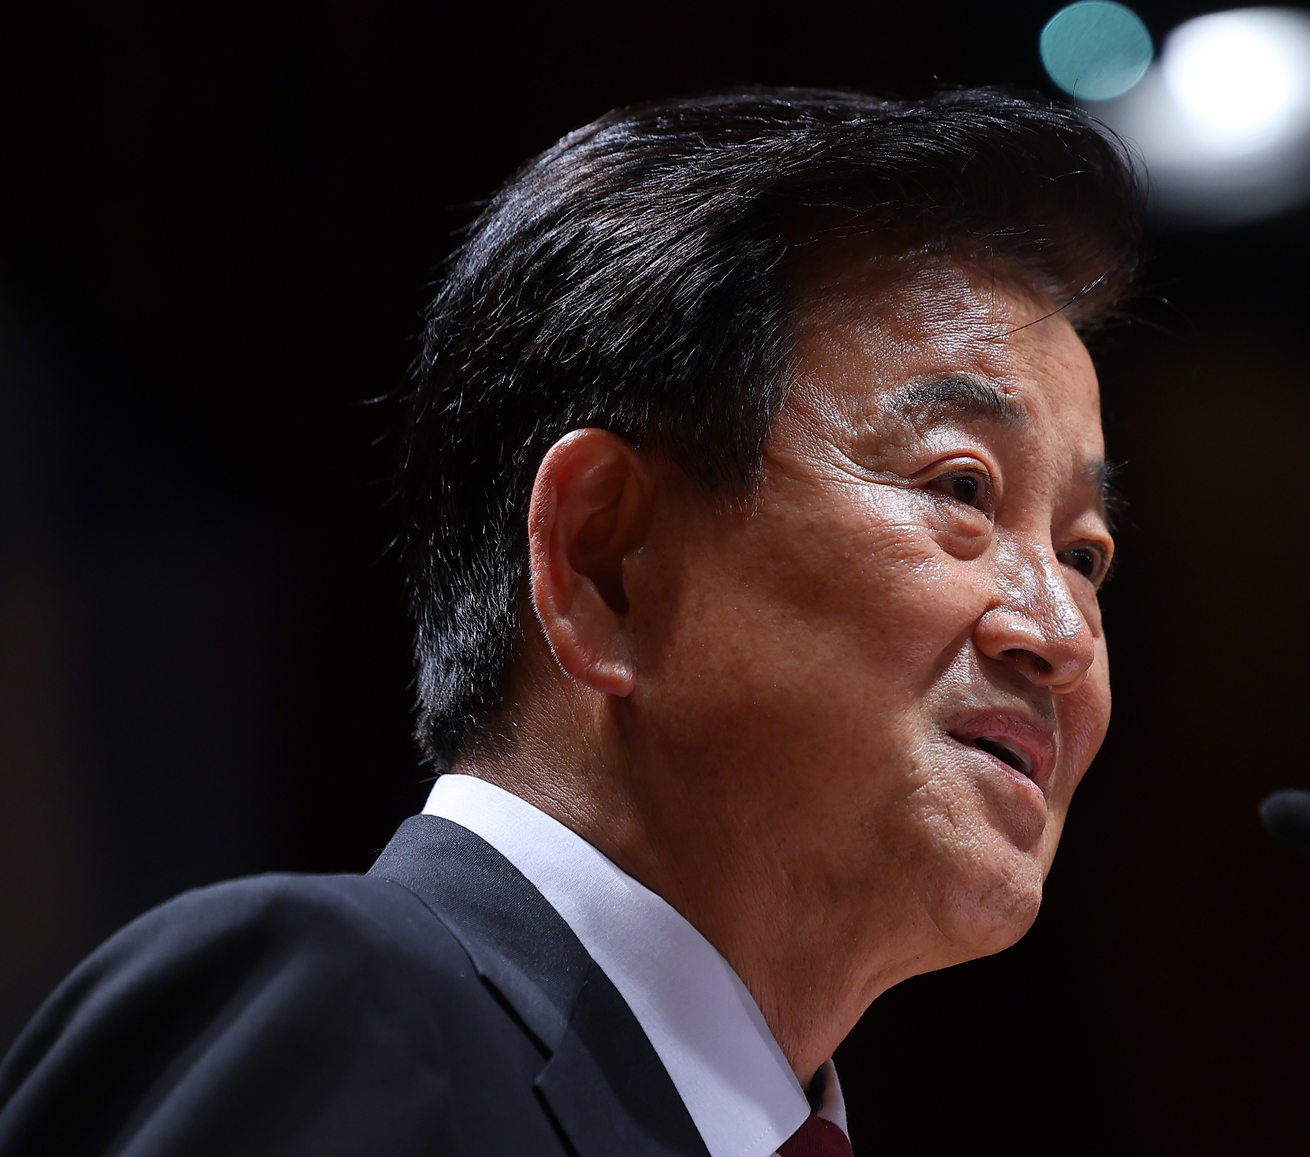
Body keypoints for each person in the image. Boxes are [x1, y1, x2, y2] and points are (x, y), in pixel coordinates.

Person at [0, 88, 1144, 1156]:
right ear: (605, 559)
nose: (1062, 631)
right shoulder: (349, 1011)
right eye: (961, 490)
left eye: (1085, 554)